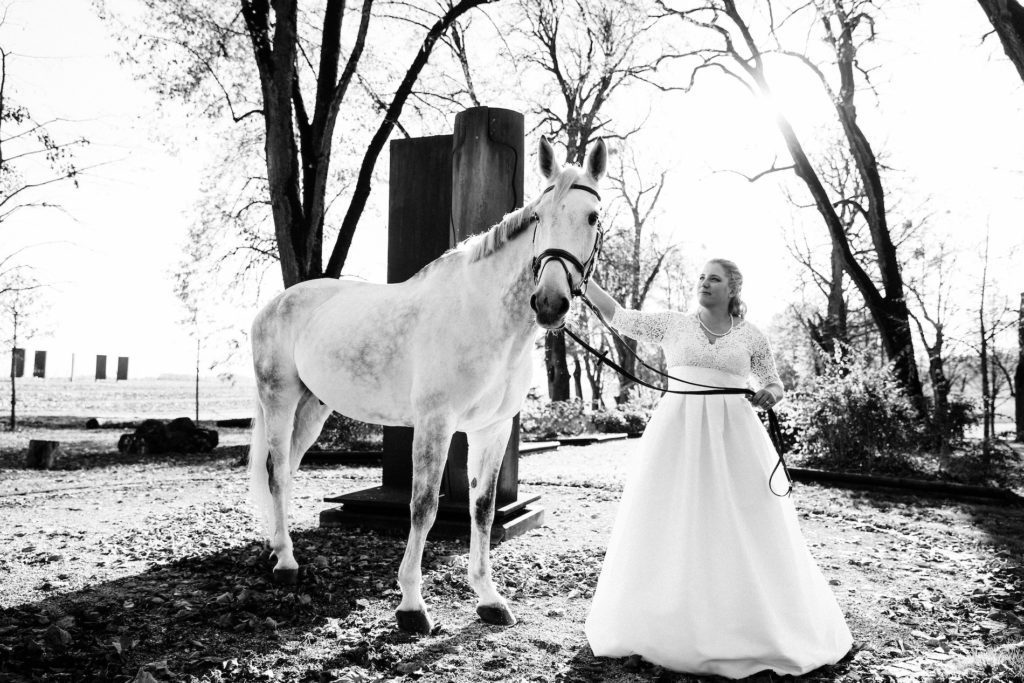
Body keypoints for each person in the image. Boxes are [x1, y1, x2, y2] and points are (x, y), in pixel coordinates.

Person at [582, 259, 853, 679]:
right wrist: (585, 279)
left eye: (714, 278)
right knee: (672, 517)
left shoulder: (751, 336)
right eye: (702, 277)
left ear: (733, 289)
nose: (704, 283)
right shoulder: (672, 324)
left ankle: (749, 622)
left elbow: (775, 381)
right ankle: (664, 620)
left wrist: (768, 394)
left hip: (735, 438)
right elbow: (618, 315)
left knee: (740, 522)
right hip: (677, 435)